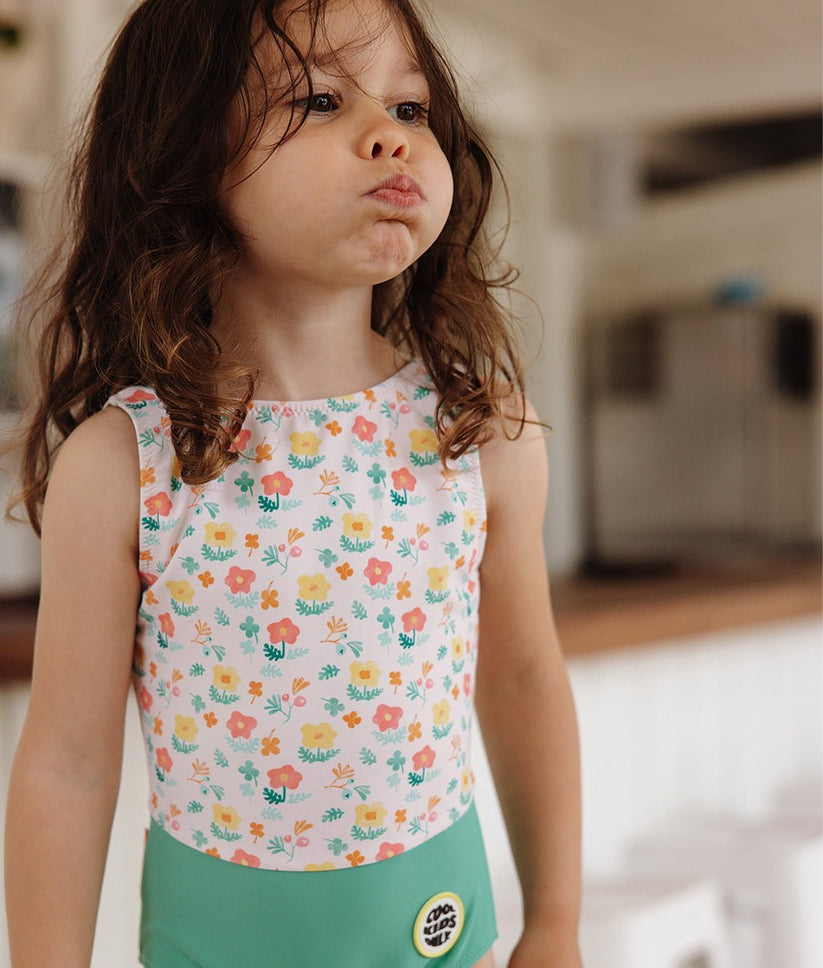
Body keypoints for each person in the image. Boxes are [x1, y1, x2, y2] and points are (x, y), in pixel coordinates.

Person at [3, 0, 584, 966]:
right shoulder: (127, 464)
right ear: (183, 159)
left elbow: (522, 678)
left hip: (443, 937)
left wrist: (556, 921)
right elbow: (64, 766)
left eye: (409, 109)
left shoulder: (480, 433)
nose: (389, 140)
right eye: (319, 99)